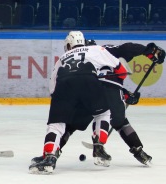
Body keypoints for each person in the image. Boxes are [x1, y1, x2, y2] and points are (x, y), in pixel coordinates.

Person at [31, 39, 165, 166]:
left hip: (88, 90)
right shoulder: (102, 50)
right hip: (107, 92)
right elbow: (126, 49)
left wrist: (125, 94)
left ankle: (50, 154)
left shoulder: (84, 56)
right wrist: (148, 50)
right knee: (121, 122)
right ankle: (137, 151)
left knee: (69, 125)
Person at [29, 31, 128, 174]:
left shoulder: (62, 58)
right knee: (104, 112)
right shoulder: (96, 49)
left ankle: (50, 158)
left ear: (69, 45)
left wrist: (60, 107)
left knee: (56, 124)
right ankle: (99, 146)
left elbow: (52, 87)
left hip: (64, 86)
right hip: (90, 84)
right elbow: (121, 71)